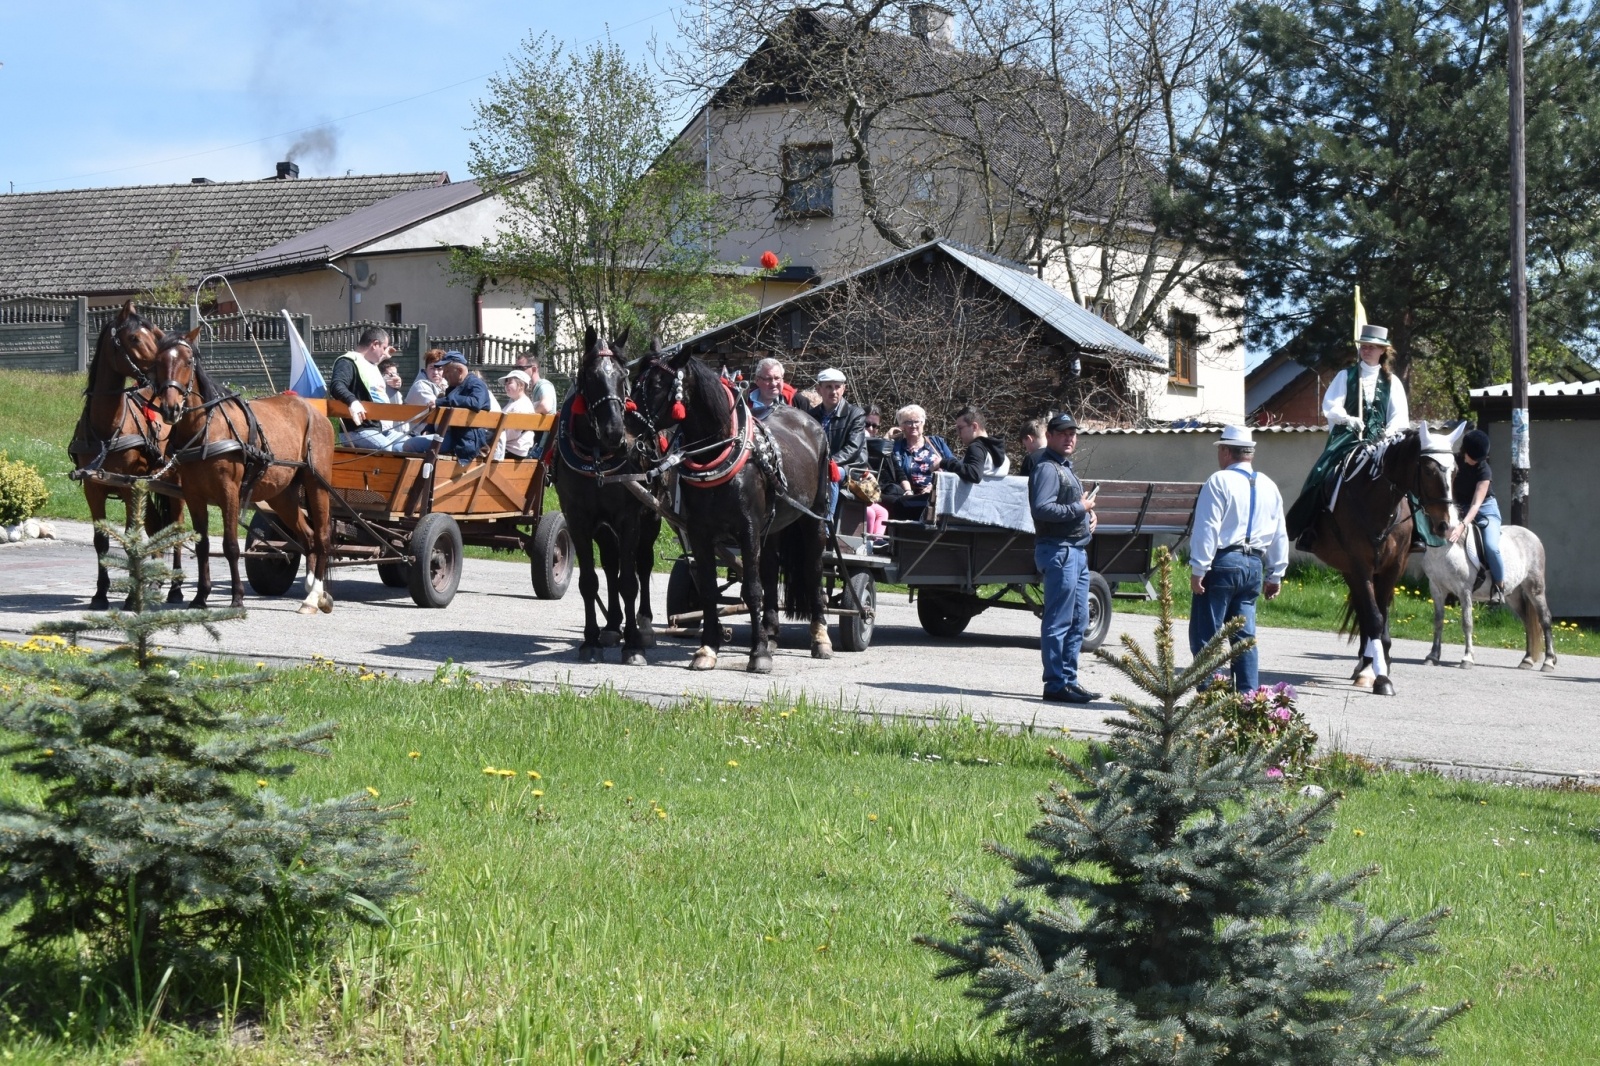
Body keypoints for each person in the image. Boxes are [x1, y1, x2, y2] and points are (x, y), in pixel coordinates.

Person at [1287, 323, 1411, 546]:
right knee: (1321, 474)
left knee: (1409, 478)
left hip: (1383, 442)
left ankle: (1416, 534)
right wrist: (1347, 418)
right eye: (1363, 346)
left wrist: (1388, 434)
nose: (1366, 350)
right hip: (1350, 439)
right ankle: (1310, 529)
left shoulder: (1393, 382)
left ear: (1383, 350)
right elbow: (1331, 405)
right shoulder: (1346, 376)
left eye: (1372, 347)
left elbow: (1399, 417)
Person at [1188, 426, 1289, 693]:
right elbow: (1280, 532)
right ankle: (1248, 699)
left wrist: (1199, 567)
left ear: (1224, 451)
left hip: (1223, 563)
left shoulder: (1219, 481)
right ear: (1250, 454)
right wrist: (1275, 574)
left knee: (1206, 636)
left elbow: (1207, 527)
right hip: (1254, 565)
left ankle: (1208, 697)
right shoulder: (1269, 485)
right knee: (1244, 638)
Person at [1029, 413, 1100, 704]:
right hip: (1058, 550)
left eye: (1073, 433)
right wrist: (1078, 508)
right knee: (1059, 620)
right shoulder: (1047, 467)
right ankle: (1055, 683)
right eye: (1063, 433)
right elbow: (1041, 509)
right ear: (1051, 435)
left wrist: (1089, 515)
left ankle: (1069, 680)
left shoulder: (1064, 466)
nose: (1069, 438)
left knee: (1078, 618)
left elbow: (1070, 506)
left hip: (1075, 550)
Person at [1448, 428, 1506, 603]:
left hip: (1484, 509)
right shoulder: (1454, 462)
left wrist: (1462, 525)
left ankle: (1499, 586)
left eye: (1477, 459)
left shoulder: (1484, 471)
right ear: (1464, 452)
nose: (1475, 462)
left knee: (1490, 546)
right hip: (1458, 507)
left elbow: (1476, 504)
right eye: (1472, 457)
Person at [331, 327, 409, 450]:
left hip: (379, 429)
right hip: (358, 431)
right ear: (375, 344)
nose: (384, 352)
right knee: (387, 449)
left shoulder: (369, 364)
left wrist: (384, 356)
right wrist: (353, 401)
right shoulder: (348, 361)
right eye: (383, 348)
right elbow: (337, 385)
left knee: (410, 445)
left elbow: (368, 380)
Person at [809, 367, 866, 519]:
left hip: (850, 467)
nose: (833, 391)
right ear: (819, 389)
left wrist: (829, 462)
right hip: (817, 465)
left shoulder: (856, 414)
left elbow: (853, 448)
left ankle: (827, 524)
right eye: (828, 386)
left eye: (837, 387)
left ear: (844, 389)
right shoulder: (810, 416)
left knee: (830, 474)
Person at [890, 404, 955, 521]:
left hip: (938, 493)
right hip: (909, 496)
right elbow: (889, 468)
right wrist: (887, 438)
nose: (913, 425)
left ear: (923, 422)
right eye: (908, 422)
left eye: (917, 421)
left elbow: (954, 466)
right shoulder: (896, 448)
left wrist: (933, 486)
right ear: (901, 426)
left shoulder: (937, 443)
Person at [432, 351, 491, 462]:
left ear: (459, 371)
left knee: (409, 445)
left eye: (447, 371)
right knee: (409, 444)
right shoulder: (456, 386)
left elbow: (476, 402)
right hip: (458, 438)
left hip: (466, 442)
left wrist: (442, 401)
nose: (443, 375)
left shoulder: (476, 384)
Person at [943, 404, 1010, 482]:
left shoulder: (976, 448)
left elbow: (974, 474)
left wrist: (945, 463)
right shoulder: (1002, 455)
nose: (958, 433)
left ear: (974, 426)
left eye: (960, 428)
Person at [497, 369, 541, 458]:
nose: (506, 386)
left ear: (521, 385)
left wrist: (494, 437)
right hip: (511, 448)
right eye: (506, 383)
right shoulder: (516, 402)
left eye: (509, 383)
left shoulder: (522, 405)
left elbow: (513, 433)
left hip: (513, 450)